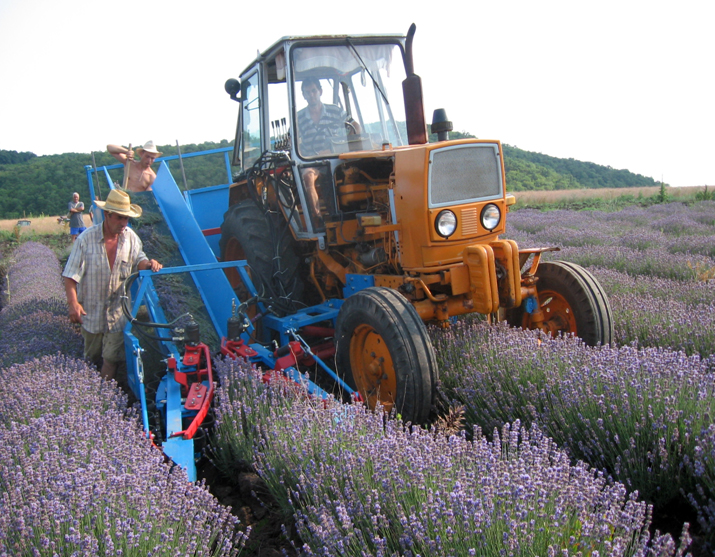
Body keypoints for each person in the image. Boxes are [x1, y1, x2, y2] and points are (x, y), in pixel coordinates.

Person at [62, 189, 162, 382]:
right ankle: (88, 391)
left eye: (126, 219)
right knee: (91, 358)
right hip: (91, 311)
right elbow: (70, 275)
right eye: (119, 218)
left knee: (111, 360)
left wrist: (149, 264)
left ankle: (103, 397)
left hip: (117, 313)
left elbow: (139, 259)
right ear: (107, 215)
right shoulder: (86, 240)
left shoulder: (130, 238)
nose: (124, 223)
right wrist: (73, 304)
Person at [297, 77, 360, 226]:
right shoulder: (298, 118)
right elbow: (292, 142)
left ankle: (353, 213)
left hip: (334, 158)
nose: (311, 95)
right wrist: (306, 156)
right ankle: (317, 219)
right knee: (307, 176)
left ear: (320, 91)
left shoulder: (334, 111)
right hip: (311, 161)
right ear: (303, 95)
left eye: (314, 91)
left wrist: (345, 145)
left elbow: (355, 126)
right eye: (307, 92)